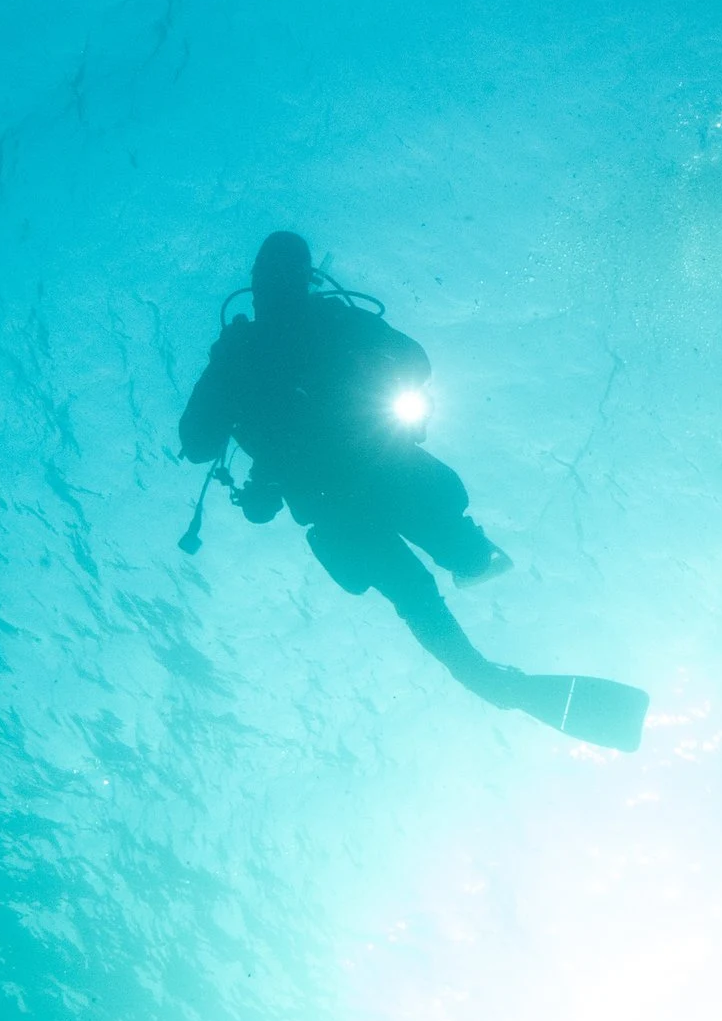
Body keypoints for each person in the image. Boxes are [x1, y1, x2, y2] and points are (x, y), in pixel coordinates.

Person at [178, 233, 648, 751]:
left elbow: (197, 444)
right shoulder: (309, 330)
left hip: (350, 495)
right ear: (297, 277)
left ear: (259, 282)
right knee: (444, 571)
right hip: (381, 476)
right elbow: (415, 362)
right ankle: (490, 671)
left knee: (427, 588)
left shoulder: (253, 350)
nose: (283, 284)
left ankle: (489, 673)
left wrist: (236, 380)